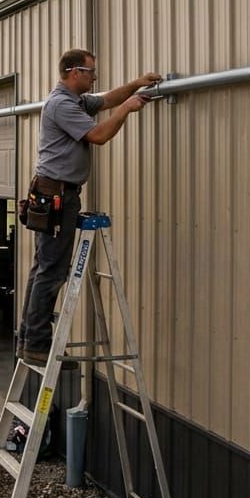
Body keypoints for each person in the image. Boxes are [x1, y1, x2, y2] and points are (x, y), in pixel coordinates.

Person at [18, 49, 161, 366]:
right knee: (51, 271)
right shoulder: (61, 105)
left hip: (56, 193)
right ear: (72, 72)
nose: (95, 76)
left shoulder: (76, 101)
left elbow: (107, 100)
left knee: (43, 268)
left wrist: (135, 84)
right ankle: (37, 344)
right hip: (57, 196)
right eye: (90, 71)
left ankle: (29, 338)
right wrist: (126, 109)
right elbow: (98, 135)